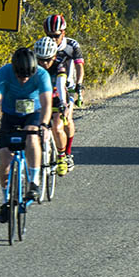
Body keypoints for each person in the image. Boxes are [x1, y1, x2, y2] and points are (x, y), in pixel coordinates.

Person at [0, 47, 52, 223]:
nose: (24, 80)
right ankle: (6, 200)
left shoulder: (42, 74)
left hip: (33, 112)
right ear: (14, 70)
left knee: (32, 137)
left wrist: (44, 125)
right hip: (10, 114)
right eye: (20, 76)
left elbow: (46, 103)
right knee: (5, 159)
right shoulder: (3, 73)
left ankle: (34, 181)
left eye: (28, 76)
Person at [43, 14, 83, 170]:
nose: (53, 39)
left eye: (56, 36)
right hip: (48, 88)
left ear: (63, 33)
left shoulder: (72, 45)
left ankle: (67, 153)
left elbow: (80, 66)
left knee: (66, 120)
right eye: (49, 35)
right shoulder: (44, 45)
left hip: (68, 86)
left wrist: (79, 86)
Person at [34, 35, 72, 176]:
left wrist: (63, 103)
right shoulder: (32, 66)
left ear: (54, 56)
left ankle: (62, 157)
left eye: (47, 59)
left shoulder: (59, 66)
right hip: (40, 99)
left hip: (57, 99)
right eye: (40, 60)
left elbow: (61, 87)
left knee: (57, 127)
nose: (44, 63)